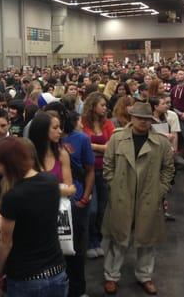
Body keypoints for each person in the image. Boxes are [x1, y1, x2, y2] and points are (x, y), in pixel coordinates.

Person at [102, 102, 175, 295]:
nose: (143, 122)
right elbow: (108, 165)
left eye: (146, 119)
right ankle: (111, 276)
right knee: (117, 239)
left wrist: (160, 190)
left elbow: (168, 169)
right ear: (131, 117)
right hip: (121, 196)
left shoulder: (161, 142)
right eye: (139, 118)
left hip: (149, 197)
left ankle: (145, 276)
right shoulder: (117, 138)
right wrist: (114, 185)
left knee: (147, 241)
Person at [0, 137, 67, 297]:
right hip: (57, 272)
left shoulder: (13, 197)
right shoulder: (51, 182)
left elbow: (5, 243)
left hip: (26, 278)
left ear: (10, 165)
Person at [61, 110, 95, 297]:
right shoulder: (43, 143)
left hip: (76, 201)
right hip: (55, 204)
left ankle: (77, 289)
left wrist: (85, 197)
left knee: (77, 247)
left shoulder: (81, 139)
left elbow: (89, 170)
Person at [82, 92, 115, 259]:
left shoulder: (107, 123)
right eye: (102, 105)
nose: (105, 108)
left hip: (105, 170)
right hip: (88, 171)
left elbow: (112, 146)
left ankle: (98, 239)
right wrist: (100, 147)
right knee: (92, 209)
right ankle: (91, 241)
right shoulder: (82, 123)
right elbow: (83, 144)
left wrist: (92, 146)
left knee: (103, 208)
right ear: (93, 106)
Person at [28, 112, 76, 198]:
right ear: (42, 130)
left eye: (60, 127)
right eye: (55, 128)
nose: (60, 131)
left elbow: (70, 190)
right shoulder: (28, 156)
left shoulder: (62, 154)